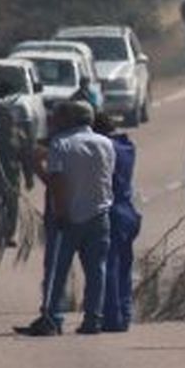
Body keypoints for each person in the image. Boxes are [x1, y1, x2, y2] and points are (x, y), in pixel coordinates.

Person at [17, 101, 115, 336]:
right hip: (99, 214)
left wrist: (59, 212)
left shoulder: (61, 144)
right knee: (96, 271)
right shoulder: (106, 144)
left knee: (57, 271)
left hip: (68, 216)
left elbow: (57, 182)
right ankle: (93, 319)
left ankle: (51, 318)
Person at [96, 112, 140, 332]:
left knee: (110, 266)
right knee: (124, 265)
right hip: (128, 212)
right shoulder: (127, 148)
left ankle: (112, 317)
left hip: (112, 212)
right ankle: (125, 312)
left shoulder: (105, 149)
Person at [0, 93, 32, 250]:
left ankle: (9, 234)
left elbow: (25, 158)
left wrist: (29, 177)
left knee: (11, 207)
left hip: (13, 177)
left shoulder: (19, 136)